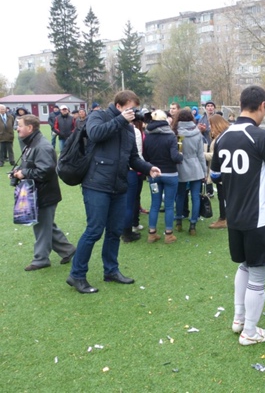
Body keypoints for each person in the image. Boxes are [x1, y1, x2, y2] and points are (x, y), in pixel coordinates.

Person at [210, 85, 265, 345]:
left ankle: (239, 319)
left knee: (244, 266)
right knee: (257, 273)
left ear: (240, 104)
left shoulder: (222, 137)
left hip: (234, 215)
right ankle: (250, 331)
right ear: (263, 105)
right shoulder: (261, 136)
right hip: (257, 217)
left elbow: (215, 175)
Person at [67, 90, 161, 294]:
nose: (133, 113)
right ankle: (77, 275)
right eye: (130, 109)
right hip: (96, 184)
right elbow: (95, 134)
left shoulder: (129, 129)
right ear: (118, 106)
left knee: (115, 231)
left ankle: (111, 270)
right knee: (94, 230)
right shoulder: (98, 116)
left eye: (135, 109)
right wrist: (120, 120)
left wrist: (148, 168)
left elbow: (133, 157)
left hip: (119, 185)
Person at [11, 114, 76, 271]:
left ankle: (41, 259)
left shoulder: (41, 146)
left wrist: (24, 173)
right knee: (46, 225)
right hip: (39, 192)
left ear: (30, 128)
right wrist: (19, 171)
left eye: (20, 125)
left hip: (44, 193)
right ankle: (68, 250)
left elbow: (45, 171)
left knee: (42, 227)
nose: (17, 128)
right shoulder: (32, 142)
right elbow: (33, 166)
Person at [144, 110, 184, 243]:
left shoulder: (147, 136)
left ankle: (152, 233)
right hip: (170, 174)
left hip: (154, 175)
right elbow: (175, 157)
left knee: (154, 204)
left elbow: (145, 157)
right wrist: (181, 155)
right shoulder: (171, 136)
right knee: (169, 205)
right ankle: (168, 234)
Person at [173, 109, 207, 236]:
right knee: (195, 196)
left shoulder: (176, 132)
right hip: (195, 166)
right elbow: (201, 155)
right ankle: (193, 225)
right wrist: (204, 171)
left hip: (180, 166)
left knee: (180, 195)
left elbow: (176, 152)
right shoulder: (197, 133)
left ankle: (178, 222)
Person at [205, 114, 230, 229]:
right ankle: (223, 217)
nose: (210, 127)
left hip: (221, 172)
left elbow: (215, 155)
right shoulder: (224, 136)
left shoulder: (220, 138)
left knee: (222, 196)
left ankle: (223, 218)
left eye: (211, 125)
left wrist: (201, 154)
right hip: (224, 171)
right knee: (223, 196)